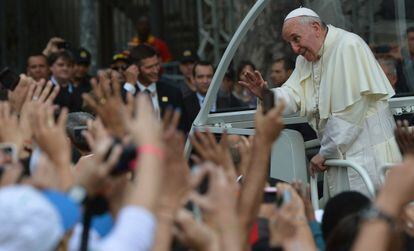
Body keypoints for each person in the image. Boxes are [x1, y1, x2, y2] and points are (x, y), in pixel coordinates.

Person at [240, 7, 401, 197]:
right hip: (338, 156)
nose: (294, 49)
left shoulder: (348, 46)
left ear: (316, 28)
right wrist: (264, 94)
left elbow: (347, 116)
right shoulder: (305, 60)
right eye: (290, 42)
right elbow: (293, 96)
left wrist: (324, 153)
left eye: (296, 39)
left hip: (369, 155)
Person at [183, 61, 243, 132]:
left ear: (215, 78)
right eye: (200, 77)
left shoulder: (230, 101)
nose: (205, 81)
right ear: (193, 79)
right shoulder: (184, 103)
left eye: (209, 76)